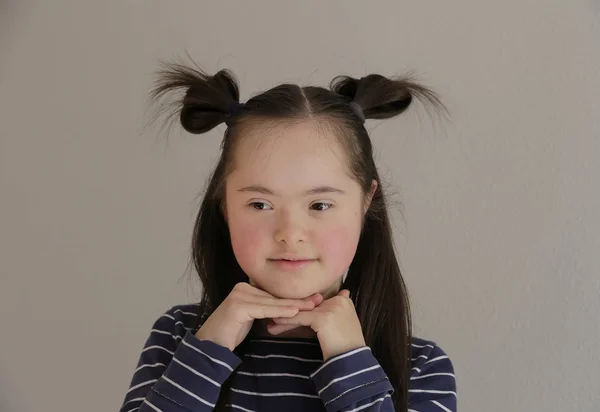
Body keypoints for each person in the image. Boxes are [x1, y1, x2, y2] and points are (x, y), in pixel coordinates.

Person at [119, 62, 457, 412]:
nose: (290, 234)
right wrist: (210, 347)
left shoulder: (420, 366)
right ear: (224, 205)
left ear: (366, 201)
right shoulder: (180, 338)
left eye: (320, 204)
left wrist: (349, 360)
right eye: (260, 204)